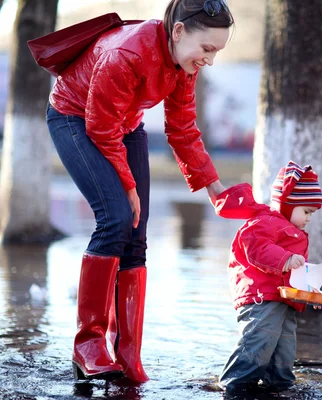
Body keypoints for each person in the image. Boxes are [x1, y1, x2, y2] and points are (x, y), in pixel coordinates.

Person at [44, 0, 234, 383]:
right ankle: (88, 344)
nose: (209, 60)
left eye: (217, 51)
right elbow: (99, 127)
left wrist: (214, 186)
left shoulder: (184, 62)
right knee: (116, 218)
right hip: (75, 118)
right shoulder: (126, 52)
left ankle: (128, 355)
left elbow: (181, 128)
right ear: (178, 31)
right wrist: (128, 186)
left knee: (137, 235)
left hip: (123, 125)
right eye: (207, 49)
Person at [213, 161, 322, 392]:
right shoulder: (266, 221)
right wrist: (285, 259)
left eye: (311, 213)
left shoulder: (293, 233)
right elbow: (255, 248)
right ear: (286, 203)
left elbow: (296, 271)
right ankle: (235, 383)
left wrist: (311, 289)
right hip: (261, 298)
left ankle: (280, 382)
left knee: (284, 347)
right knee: (258, 341)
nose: (309, 218)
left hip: (285, 300)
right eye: (306, 211)